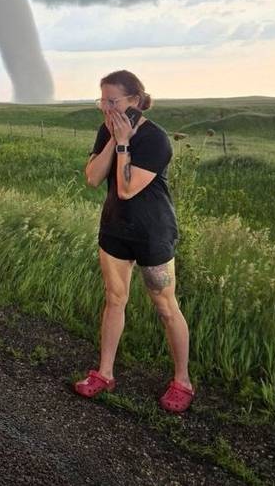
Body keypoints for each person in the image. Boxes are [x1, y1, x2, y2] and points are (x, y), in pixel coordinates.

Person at [74, 70, 194, 412]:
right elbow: (94, 178)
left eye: (112, 101)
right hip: (115, 230)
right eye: (102, 101)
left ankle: (182, 380)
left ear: (135, 101)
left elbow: (127, 188)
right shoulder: (106, 130)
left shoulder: (156, 139)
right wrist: (113, 137)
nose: (105, 108)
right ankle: (104, 373)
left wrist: (124, 141)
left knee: (166, 306)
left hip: (152, 233)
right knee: (114, 299)